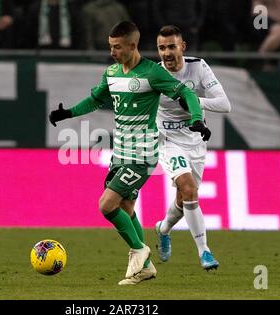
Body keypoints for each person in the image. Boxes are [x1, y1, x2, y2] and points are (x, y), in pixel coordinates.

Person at [49, 21, 211, 285]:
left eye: (117, 47)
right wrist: (68, 113)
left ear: (132, 45)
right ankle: (145, 268)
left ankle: (139, 250)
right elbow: (95, 100)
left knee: (106, 205)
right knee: (125, 206)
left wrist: (196, 119)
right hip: (120, 152)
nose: (112, 52)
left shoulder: (151, 73)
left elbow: (187, 94)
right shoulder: (112, 72)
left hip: (143, 154)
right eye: (110, 47)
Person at [154, 25, 231, 270]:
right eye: (161, 48)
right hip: (167, 140)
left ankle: (163, 228)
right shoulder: (153, 75)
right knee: (188, 188)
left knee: (185, 195)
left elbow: (224, 104)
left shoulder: (198, 67)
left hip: (196, 139)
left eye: (171, 47)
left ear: (182, 47)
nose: (166, 53)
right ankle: (204, 252)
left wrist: (192, 100)